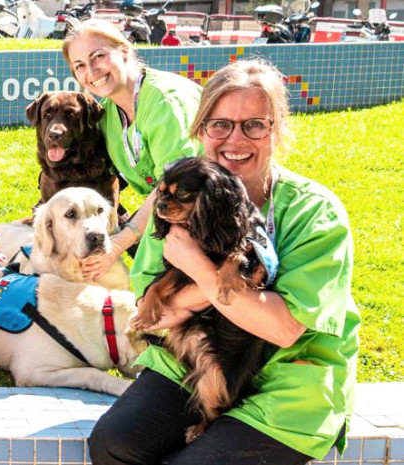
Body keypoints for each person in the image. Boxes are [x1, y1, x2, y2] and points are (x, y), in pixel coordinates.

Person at [88, 59, 358, 465]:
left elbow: (282, 327)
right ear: (200, 131)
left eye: (254, 124)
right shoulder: (176, 202)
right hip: (192, 362)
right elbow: (151, 315)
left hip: (290, 380)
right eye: (220, 124)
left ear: (276, 130)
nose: (235, 139)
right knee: (114, 444)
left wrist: (198, 268)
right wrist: (221, 290)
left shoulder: (315, 212)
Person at [62, 19, 203, 279]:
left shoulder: (165, 101)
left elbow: (177, 184)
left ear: (125, 50)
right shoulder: (108, 114)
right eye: (79, 66)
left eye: (99, 57)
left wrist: (122, 240)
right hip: (172, 213)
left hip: (210, 211)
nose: (91, 71)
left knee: (156, 288)